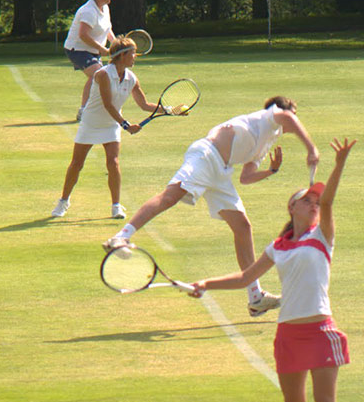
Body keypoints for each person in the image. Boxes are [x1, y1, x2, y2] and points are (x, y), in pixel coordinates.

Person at [189, 137, 357, 402]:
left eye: (316, 201)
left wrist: (339, 163)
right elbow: (246, 276)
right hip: (289, 335)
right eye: (307, 200)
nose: (314, 203)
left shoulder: (323, 237)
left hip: (320, 331)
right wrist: (206, 284)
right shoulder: (278, 247)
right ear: (292, 207)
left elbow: (329, 200)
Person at [104, 97, 320, 317]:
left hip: (221, 171)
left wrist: (271, 171)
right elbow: (287, 117)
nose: (294, 119)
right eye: (293, 113)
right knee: (171, 197)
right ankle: (121, 237)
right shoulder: (268, 117)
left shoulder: (267, 140)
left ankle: (255, 297)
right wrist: (311, 149)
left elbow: (246, 177)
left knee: (242, 227)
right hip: (206, 154)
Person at [51, 37, 160, 220]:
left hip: (111, 125)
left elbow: (145, 105)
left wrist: (171, 110)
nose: (135, 57)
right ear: (123, 55)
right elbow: (108, 104)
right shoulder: (102, 74)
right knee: (77, 164)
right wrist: (126, 125)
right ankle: (63, 201)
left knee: (113, 162)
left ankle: (116, 206)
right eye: (133, 53)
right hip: (91, 123)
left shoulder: (132, 78)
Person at [63, 0, 114, 122]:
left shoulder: (105, 8)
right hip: (76, 49)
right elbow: (83, 35)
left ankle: (94, 109)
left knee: (101, 77)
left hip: (92, 50)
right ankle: (83, 111)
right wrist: (102, 49)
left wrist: (115, 43)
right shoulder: (88, 11)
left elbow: (107, 29)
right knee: (98, 74)